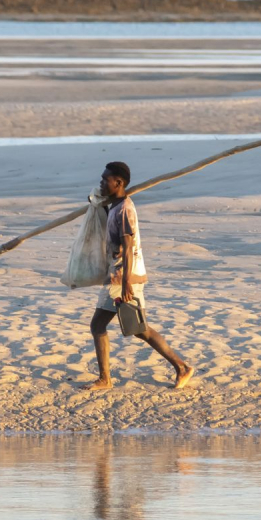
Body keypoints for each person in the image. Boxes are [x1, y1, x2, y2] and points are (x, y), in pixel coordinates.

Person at [84, 161, 194, 391]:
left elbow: (128, 244)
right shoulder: (115, 205)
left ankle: (106, 379)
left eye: (105, 180)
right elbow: (108, 219)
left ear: (118, 183)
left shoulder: (124, 209)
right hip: (119, 274)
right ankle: (181, 367)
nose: (101, 183)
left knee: (106, 326)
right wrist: (97, 204)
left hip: (124, 276)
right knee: (136, 328)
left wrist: (126, 284)